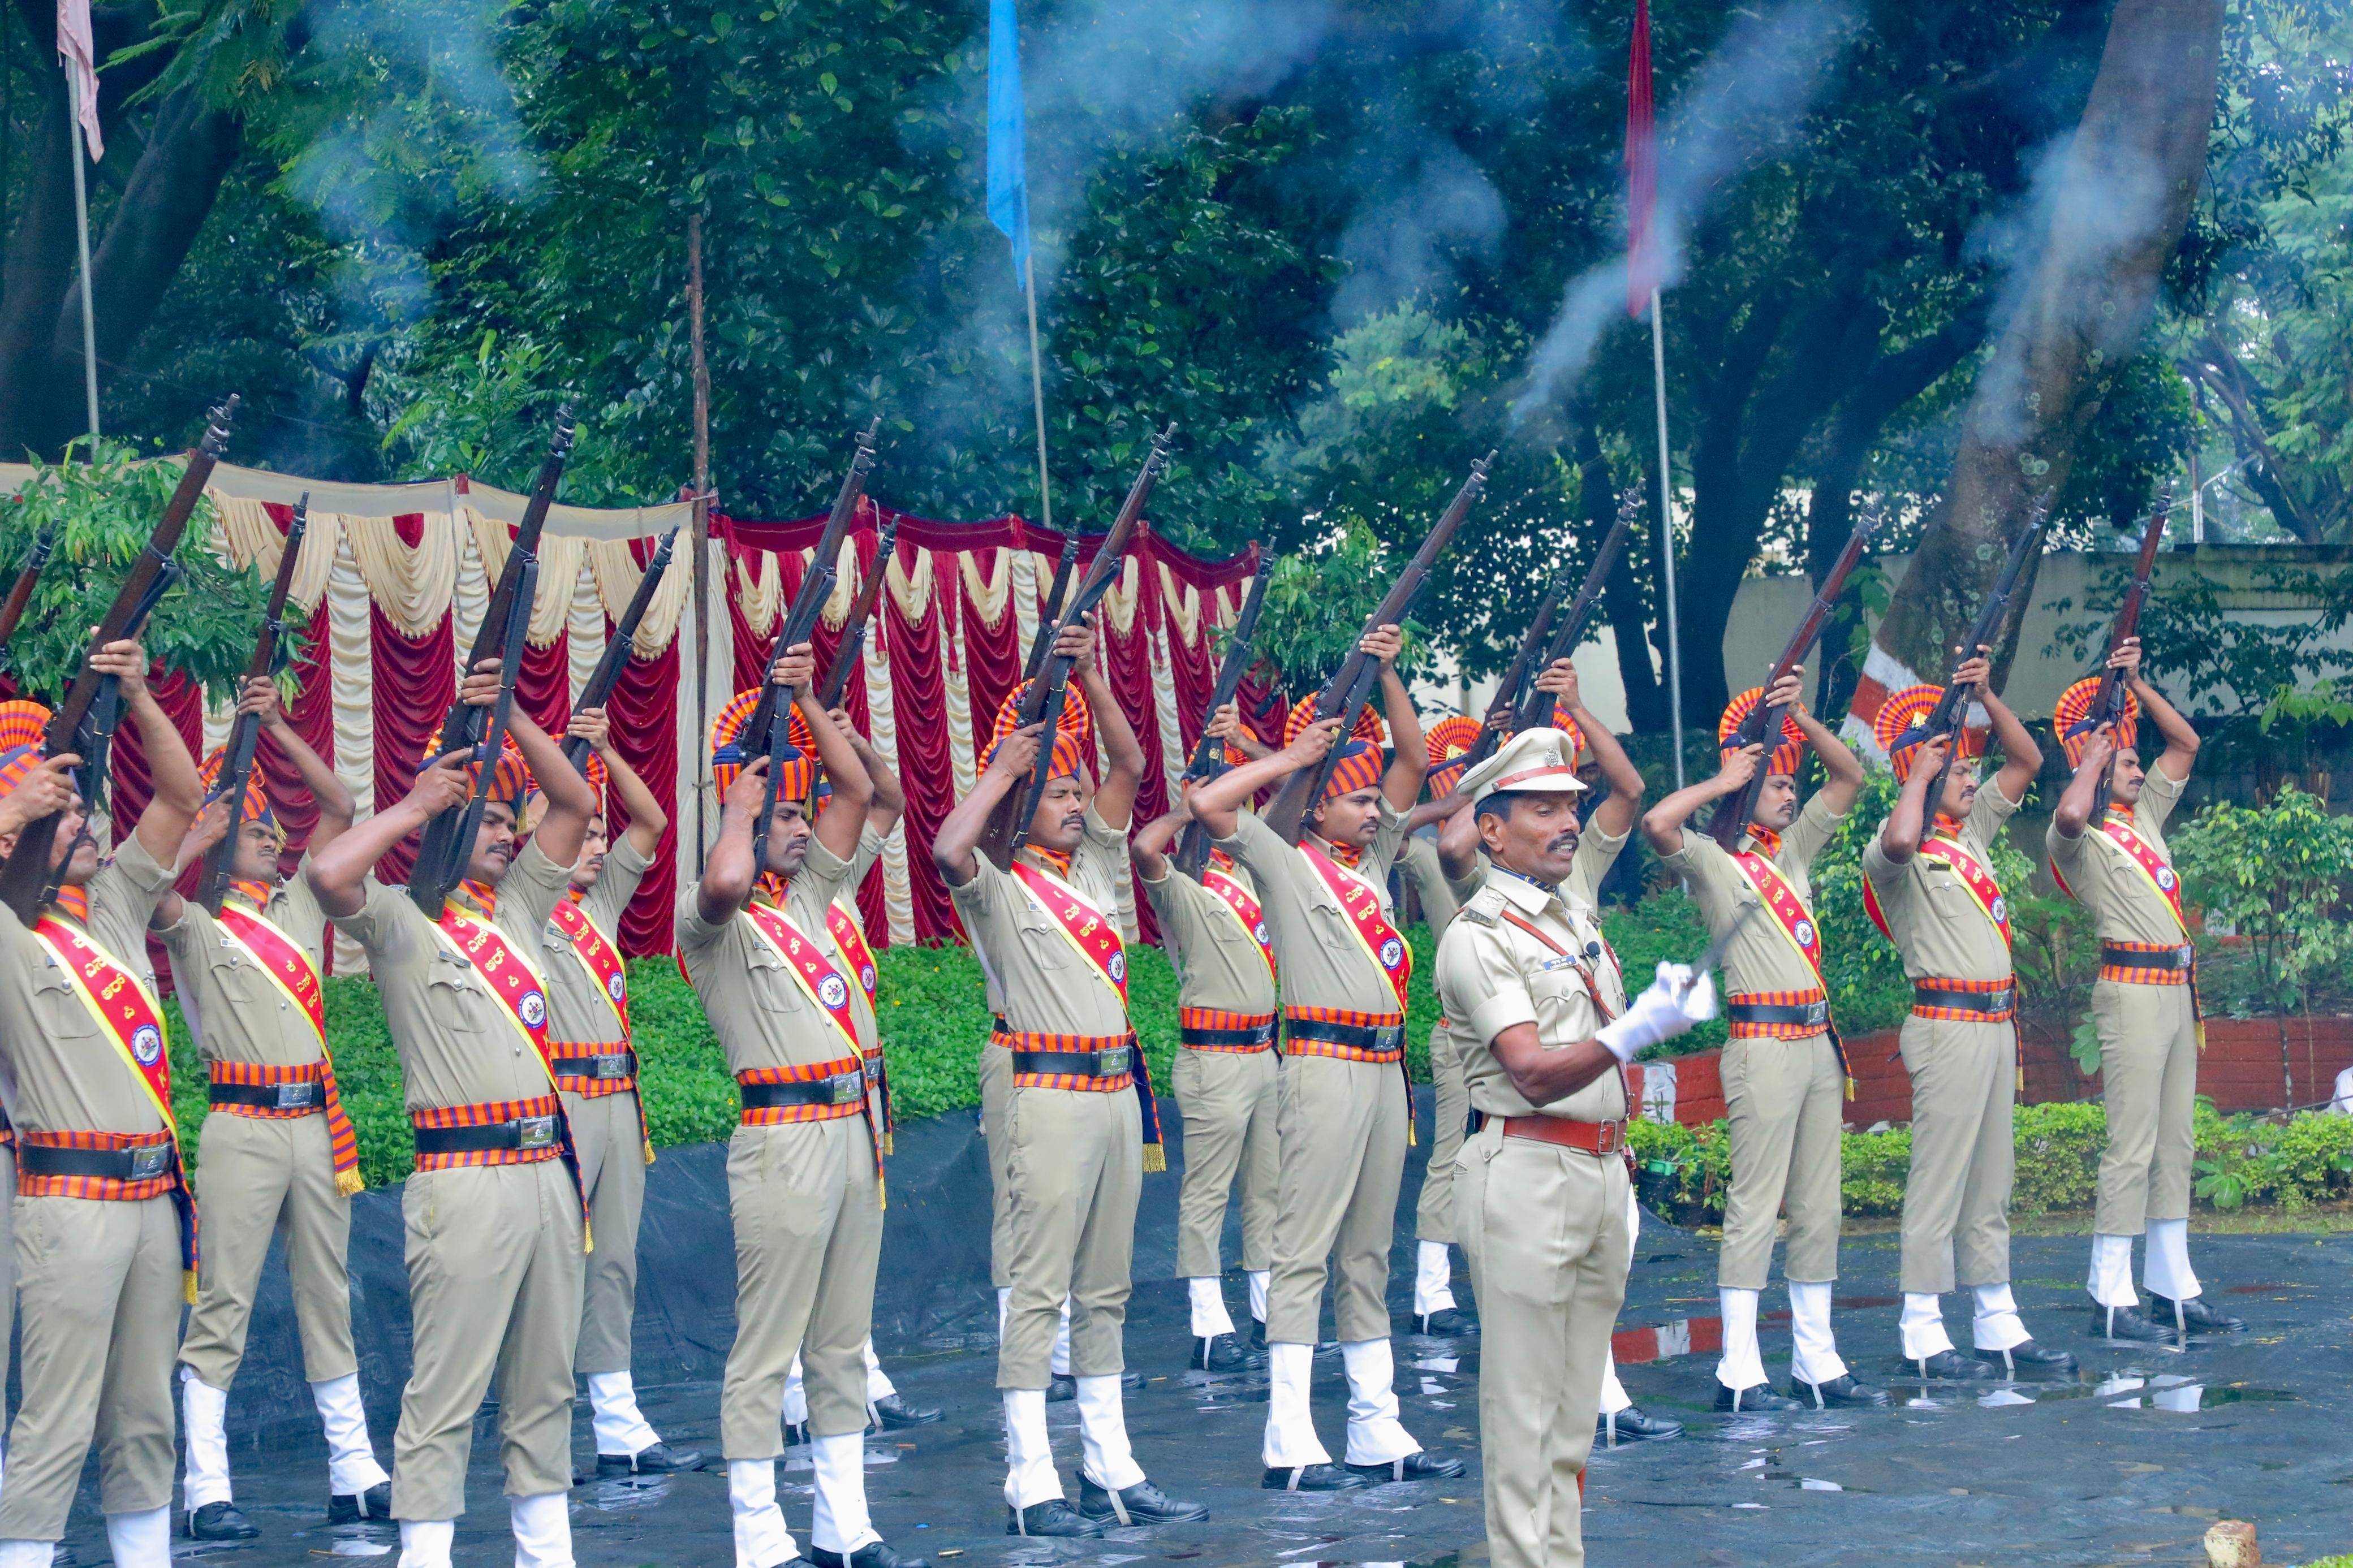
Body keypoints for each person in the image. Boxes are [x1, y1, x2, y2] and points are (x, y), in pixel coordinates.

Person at [308, 664, 597, 1568]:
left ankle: (546, 1553)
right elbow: (326, 870)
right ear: (447, 832)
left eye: (511, 823)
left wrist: (510, 710)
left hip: (548, 1172)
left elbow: (575, 800)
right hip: (463, 1179)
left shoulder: (519, 909)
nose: (511, 835)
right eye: (492, 823)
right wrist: (415, 803)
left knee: (545, 1383)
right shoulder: (401, 923)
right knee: (446, 1389)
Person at [934, 616, 1205, 1537]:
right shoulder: (998, 883)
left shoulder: (1091, 862)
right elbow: (945, 846)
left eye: (1074, 789)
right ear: (1021, 807)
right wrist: (1006, 771)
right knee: (1039, 1286)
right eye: (1058, 792)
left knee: (1106, 1287)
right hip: (1045, 1092)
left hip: (1114, 1094)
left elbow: (1128, 765)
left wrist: (1087, 678)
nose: (1078, 800)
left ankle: (1110, 1464)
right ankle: (1030, 1474)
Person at [1189, 628, 1467, 1492]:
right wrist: (1290, 759)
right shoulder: (1281, 857)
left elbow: (1416, 758)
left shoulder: (1375, 858)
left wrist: (1384, 672)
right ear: (1317, 810)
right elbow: (1208, 807)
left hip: (1386, 1072)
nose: (1374, 813)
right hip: (1318, 1064)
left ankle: (1375, 1426)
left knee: (1367, 1254)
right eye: (1354, 804)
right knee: (1304, 1250)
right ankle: (1287, 1435)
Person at [1437, 726, 1715, 1568]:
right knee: (1523, 1411)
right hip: (1525, 1167)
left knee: (1571, 1416)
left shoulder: (1571, 917)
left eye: (1571, 805)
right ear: (1492, 830)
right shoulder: (1479, 935)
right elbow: (1528, 1069)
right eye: (1544, 808)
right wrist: (1636, 1030)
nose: (1567, 821)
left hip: (1599, 1169)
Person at [678, 643, 928, 1568]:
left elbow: (860, 796)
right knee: (767, 1345)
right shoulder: (715, 923)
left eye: (796, 810)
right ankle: (756, 1533)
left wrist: (809, 701)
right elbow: (724, 883)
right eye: (785, 812)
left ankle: (843, 1522)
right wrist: (738, 812)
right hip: (782, 1137)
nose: (800, 825)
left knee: (841, 1344)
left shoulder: (819, 894)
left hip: (853, 1131)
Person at [156, 678, 393, 1539]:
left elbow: (338, 802)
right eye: (256, 832)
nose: (274, 837)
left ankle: (354, 1468)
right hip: (243, 1125)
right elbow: (144, 887)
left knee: (328, 1294)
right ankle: (206, 1486)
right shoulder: (197, 924)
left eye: (271, 831)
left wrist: (277, 724)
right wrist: (197, 834)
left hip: (310, 1124)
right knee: (223, 1303)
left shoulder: (296, 905)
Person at [0, 640, 203, 1568]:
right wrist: (13, 810)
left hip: (154, 1198)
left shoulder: (115, 904)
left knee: (144, 1414)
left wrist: (138, 695)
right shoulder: (10, 932)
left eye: (81, 806)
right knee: (58, 1415)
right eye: (63, 811)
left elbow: (180, 799)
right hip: (70, 1201)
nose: (82, 822)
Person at [1639, 668, 1886, 1413]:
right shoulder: (1717, 863)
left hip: (1816, 1044)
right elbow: (1657, 825)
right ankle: (1740, 1370)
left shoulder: (1794, 852)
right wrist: (1724, 779)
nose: (1790, 792)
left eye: (1789, 782)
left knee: (1818, 1204)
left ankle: (1815, 1359)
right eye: (1777, 783)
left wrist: (1800, 718)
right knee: (1755, 1204)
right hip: (1763, 1042)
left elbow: (1849, 776)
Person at [1864, 654, 2075, 1379]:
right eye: (1953, 770)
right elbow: (1895, 841)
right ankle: (1920, 1325)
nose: (1967, 778)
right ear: (1914, 775)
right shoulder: (1898, 850)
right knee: (1940, 1176)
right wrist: (1919, 776)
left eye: (1960, 771)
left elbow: (2027, 757)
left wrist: (1984, 695)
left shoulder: (1970, 835)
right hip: (1946, 1024)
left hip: (1994, 1025)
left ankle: (1995, 1317)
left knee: (1991, 1177)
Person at [2049, 637, 2244, 1341]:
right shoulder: (2084, 833)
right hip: (2129, 989)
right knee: (2129, 1143)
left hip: (2173, 991)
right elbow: (2068, 817)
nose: (2138, 766)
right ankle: (2109, 1290)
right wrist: (2096, 755)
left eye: (2134, 758)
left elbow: (2186, 743)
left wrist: (2137, 682)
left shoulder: (2144, 820)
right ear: (2096, 767)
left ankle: (2169, 1283)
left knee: (2174, 1143)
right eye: (2125, 759)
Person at [532, 708, 701, 1478]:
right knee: (555, 1263)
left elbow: (655, 820)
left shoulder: (596, 909)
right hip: (560, 1102)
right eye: (582, 830)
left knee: (615, 1263)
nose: (598, 844)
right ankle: (541, 1419)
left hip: (618, 1101)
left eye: (599, 834)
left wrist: (604, 747)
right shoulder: (520, 908)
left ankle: (617, 1419)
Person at [779, 710, 940, 1442]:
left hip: (861, 1091)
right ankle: (792, 1392)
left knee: (849, 1246)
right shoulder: (781, 905)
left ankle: (861, 1371)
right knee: (802, 1248)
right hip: (802, 1099)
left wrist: (853, 739)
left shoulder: (835, 888)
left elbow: (891, 798)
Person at [1131, 761, 1280, 1373]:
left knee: (1268, 1191)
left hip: (1263, 1054)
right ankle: (1207, 1324)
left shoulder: (1254, 881)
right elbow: (1143, 846)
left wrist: (1245, 755)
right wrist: (1185, 808)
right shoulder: (1184, 891)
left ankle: (1270, 1317)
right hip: (1213, 1058)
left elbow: (1281, 812)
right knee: (1208, 1194)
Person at [1393, 714, 1485, 1338]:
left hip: (1508, 1032)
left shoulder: (1507, 862)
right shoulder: (1428, 858)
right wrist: (1439, 806)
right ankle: (1431, 1292)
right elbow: (1392, 827)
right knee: (1450, 1159)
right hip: (1459, 1033)